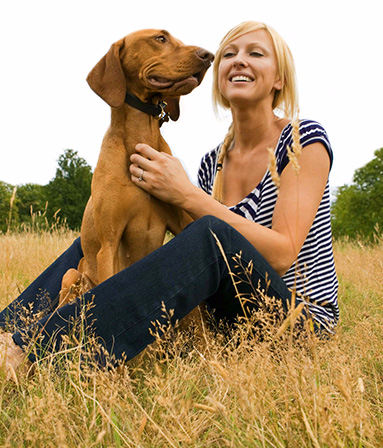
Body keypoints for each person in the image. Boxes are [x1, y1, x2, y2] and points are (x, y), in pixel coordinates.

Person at [0, 21, 339, 378]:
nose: (239, 61)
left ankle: (43, 352)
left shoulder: (303, 140)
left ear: (279, 79)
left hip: (295, 320)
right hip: (228, 317)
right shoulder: (214, 161)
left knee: (209, 234)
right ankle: (7, 331)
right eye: (228, 54)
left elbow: (283, 253)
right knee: (95, 233)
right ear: (218, 76)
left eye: (255, 53)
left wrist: (188, 194)